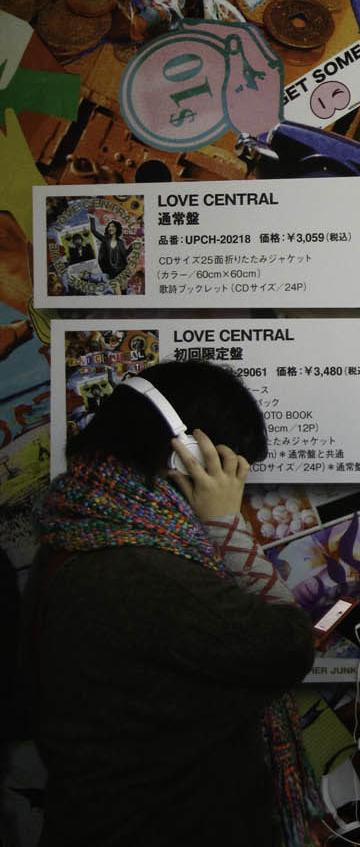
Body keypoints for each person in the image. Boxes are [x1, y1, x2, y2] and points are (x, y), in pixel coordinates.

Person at [25, 361, 318, 847]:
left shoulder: (78, 531)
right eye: (230, 465)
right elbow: (287, 646)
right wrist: (226, 523)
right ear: (189, 460)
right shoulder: (140, 568)